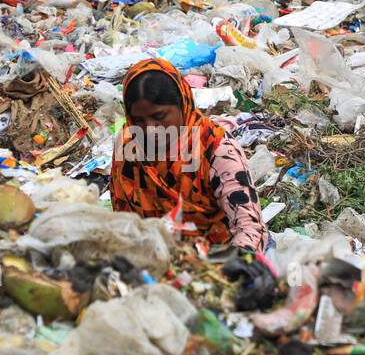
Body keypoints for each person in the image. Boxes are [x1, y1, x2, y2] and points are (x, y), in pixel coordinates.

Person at [110, 59, 270, 253]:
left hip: (221, 254)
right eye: (138, 120)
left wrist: (234, 265)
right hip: (156, 256)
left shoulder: (215, 149)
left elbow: (249, 226)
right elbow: (124, 222)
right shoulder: (129, 146)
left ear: (183, 104)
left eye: (159, 116)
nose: (150, 130)